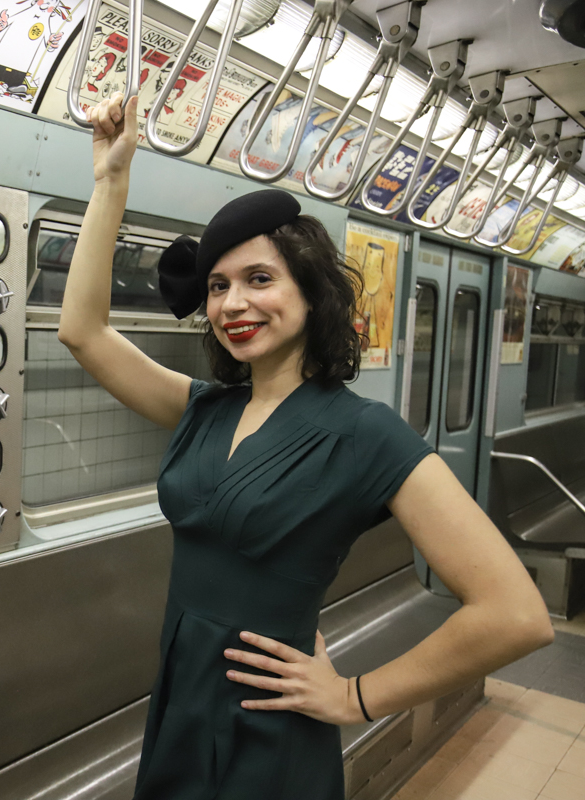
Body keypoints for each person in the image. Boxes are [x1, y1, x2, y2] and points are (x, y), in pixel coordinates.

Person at [56, 92, 555, 799]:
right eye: (220, 286)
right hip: (180, 699)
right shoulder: (204, 410)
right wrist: (110, 182)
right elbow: (83, 333)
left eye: (260, 280)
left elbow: (515, 613)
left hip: (270, 722)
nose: (233, 304)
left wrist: (356, 697)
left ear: (313, 295)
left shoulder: (365, 434)